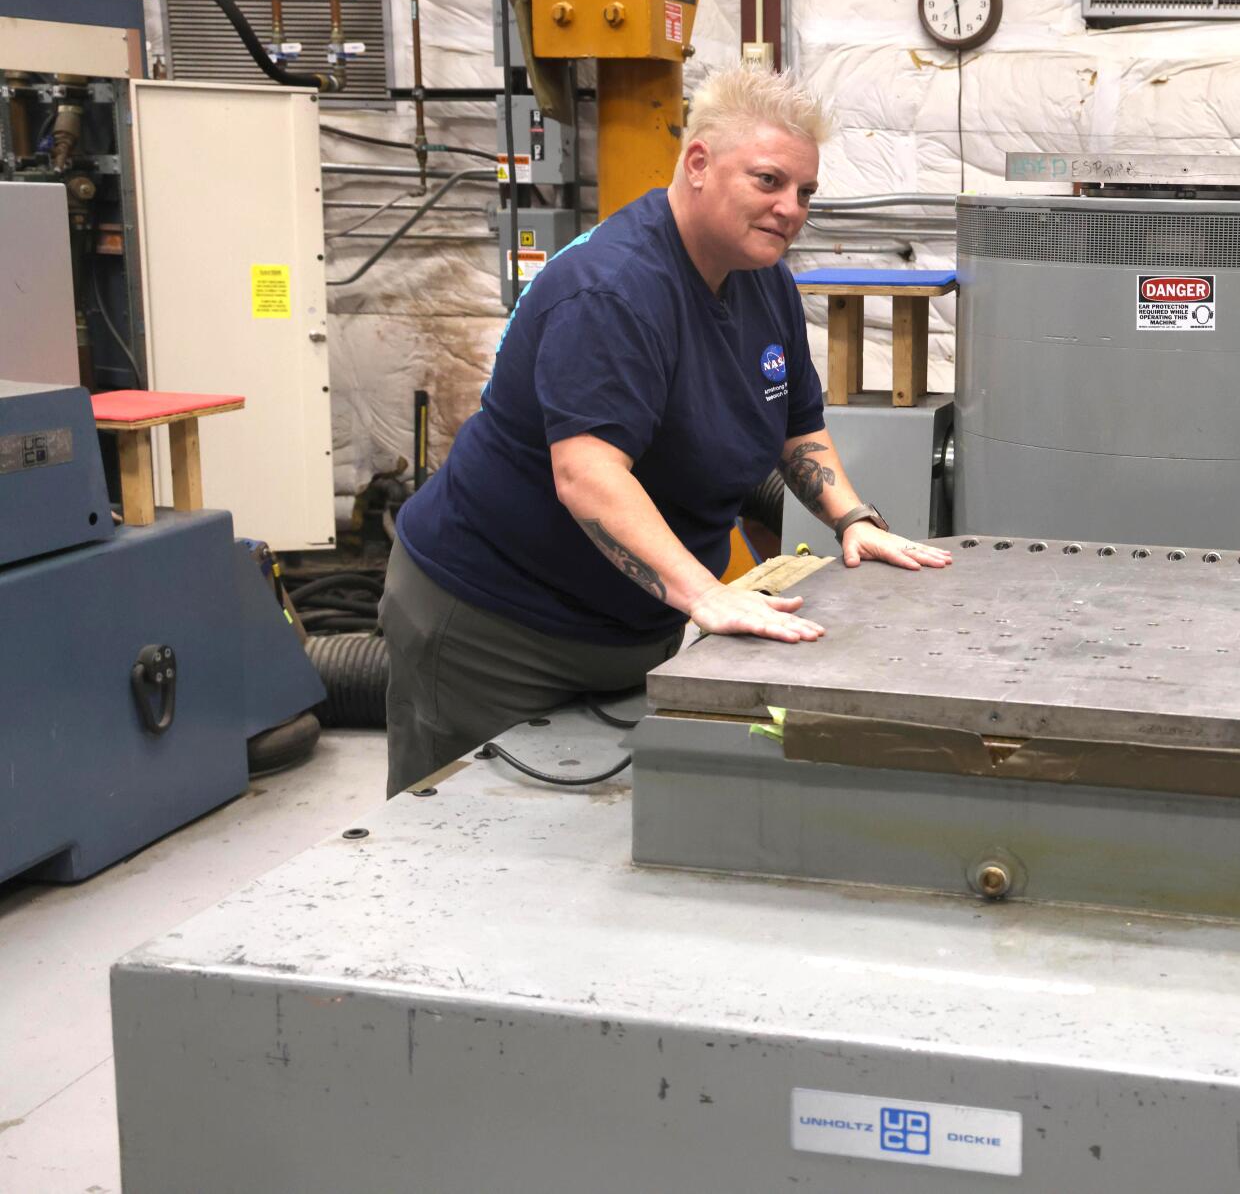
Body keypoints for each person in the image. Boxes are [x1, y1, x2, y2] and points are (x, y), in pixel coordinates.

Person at [380, 67, 951, 796]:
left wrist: (852, 517)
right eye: (769, 181)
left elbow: (797, 426)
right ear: (699, 164)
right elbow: (587, 475)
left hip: (628, 628)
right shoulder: (613, 291)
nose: (790, 209)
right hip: (493, 629)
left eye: (805, 192)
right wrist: (704, 593)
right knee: (463, 842)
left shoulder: (761, 276)